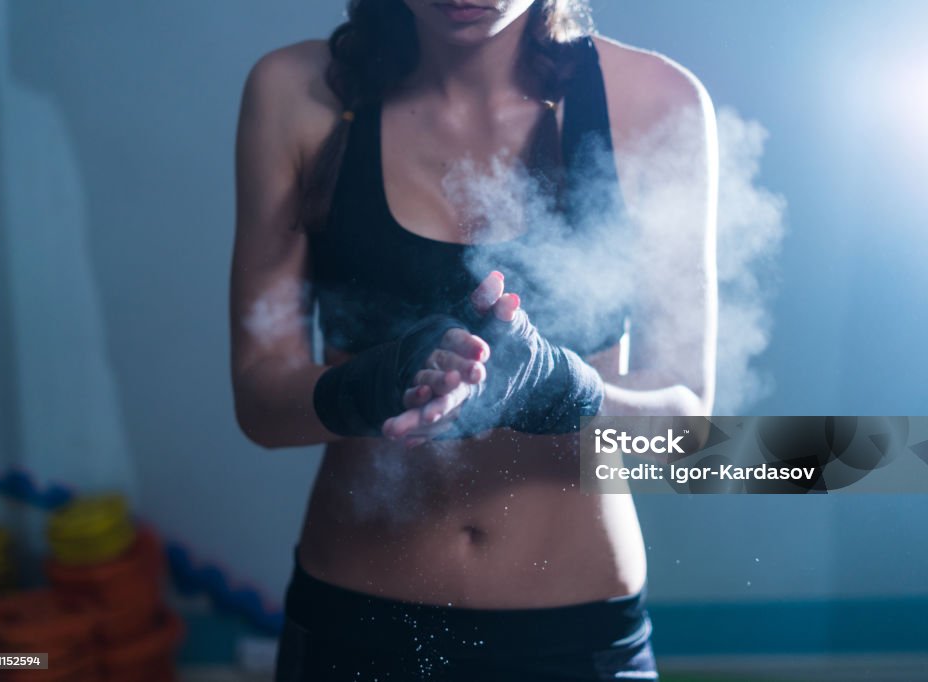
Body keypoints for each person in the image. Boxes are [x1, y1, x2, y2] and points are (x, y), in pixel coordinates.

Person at [230, 1, 717, 679]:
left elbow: (688, 439)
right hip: (358, 623)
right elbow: (259, 403)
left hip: (578, 634)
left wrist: (567, 390)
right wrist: (369, 384)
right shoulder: (298, 94)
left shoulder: (658, 102)